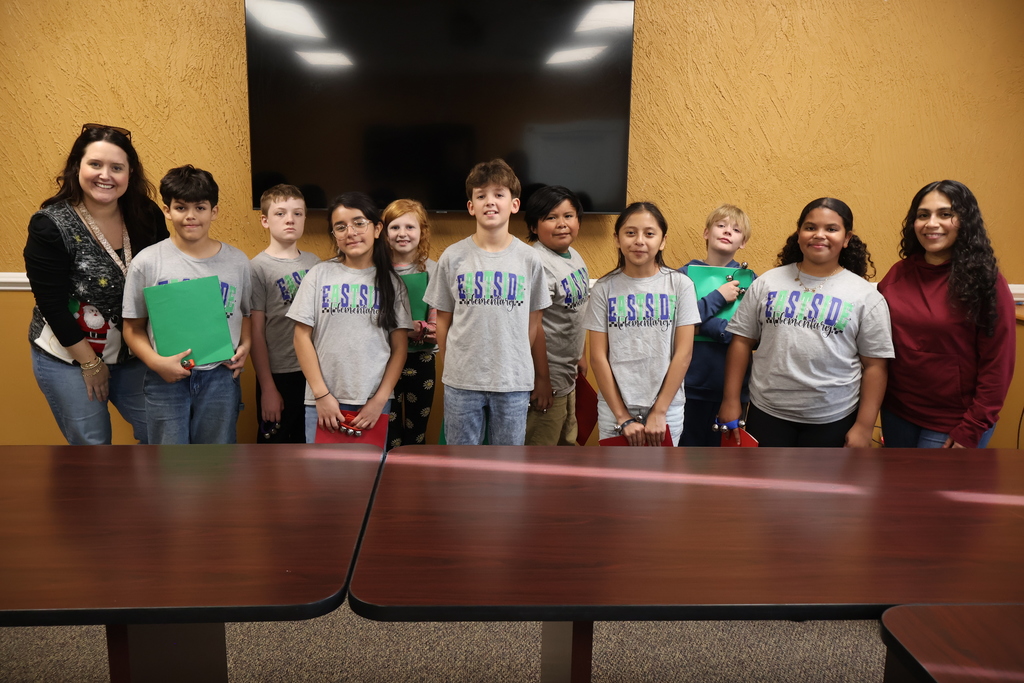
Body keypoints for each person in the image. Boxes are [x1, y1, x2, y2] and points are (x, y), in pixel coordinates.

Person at [24, 123, 168, 445]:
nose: (106, 175)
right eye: (95, 164)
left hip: (134, 353)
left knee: (164, 433)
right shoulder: (50, 224)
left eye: (117, 167)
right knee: (94, 449)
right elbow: (52, 304)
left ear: (130, 173)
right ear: (78, 167)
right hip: (70, 356)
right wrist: (89, 363)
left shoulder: (147, 215)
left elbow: (164, 282)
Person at [719, 198, 893, 448]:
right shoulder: (768, 283)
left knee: (820, 488)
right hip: (767, 412)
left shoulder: (865, 296)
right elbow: (741, 342)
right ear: (799, 234)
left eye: (831, 229)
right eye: (810, 227)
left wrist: (865, 426)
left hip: (834, 417)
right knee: (765, 487)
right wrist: (731, 399)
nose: (819, 235)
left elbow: (875, 366)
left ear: (846, 238)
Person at [878, 180, 1015, 448]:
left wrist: (973, 426)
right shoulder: (898, 274)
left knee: (934, 491)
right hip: (898, 412)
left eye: (945, 214)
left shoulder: (986, 282)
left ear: (965, 221)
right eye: (923, 215)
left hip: (955, 421)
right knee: (901, 490)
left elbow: (998, 364)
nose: (931, 223)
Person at [122, 165, 252, 444]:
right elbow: (132, 328)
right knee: (170, 462)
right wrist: (157, 363)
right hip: (165, 379)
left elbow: (246, 312)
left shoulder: (238, 262)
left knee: (216, 459)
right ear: (167, 210)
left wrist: (246, 345)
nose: (191, 216)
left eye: (200, 208)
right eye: (181, 208)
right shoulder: (147, 262)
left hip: (220, 376)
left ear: (213, 211)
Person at [424, 159, 549, 446]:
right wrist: (454, 362)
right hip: (462, 382)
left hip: (513, 381)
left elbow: (534, 322)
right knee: (462, 463)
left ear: (514, 204)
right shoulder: (453, 257)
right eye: (481, 196)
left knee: (507, 464)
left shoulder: (529, 259)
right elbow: (443, 320)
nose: (489, 202)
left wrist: (513, 357)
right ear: (471, 206)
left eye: (498, 194)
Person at [288, 192, 412, 444]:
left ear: (377, 229)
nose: (350, 232)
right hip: (322, 404)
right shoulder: (319, 275)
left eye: (359, 222)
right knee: (323, 478)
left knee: (367, 479)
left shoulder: (392, 283)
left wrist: (378, 401)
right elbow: (301, 337)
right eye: (340, 227)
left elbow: (399, 348)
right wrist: (322, 396)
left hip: (372, 405)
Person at [585, 202, 700, 446]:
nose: (639, 240)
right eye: (630, 232)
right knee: (616, 482)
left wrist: (659, 411)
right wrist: (622, 416)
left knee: (661, 481)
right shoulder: (604, 289)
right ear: (617, 239)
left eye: (649, 233)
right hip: (615, 409)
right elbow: (597, 356)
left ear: (663, 240)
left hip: (666, 409)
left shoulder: (680, 286)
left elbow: (684, 353)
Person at [678, 204, 755, 447]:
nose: (727, 231)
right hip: (687, 383)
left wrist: (700, 327)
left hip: (730, 387)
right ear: (706, 233)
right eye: (720, 225)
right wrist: (718, 299)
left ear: (743, 242)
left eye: (735, 229)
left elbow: (750, 334)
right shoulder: (682, 276)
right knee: (684, 454)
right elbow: (675, 325)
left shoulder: (751, 281)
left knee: (724, 461)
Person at [249, 184, 320, 444]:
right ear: (265, 220)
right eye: (280, 213)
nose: (290, 219)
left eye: (298, 213)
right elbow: (255, 331)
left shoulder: (315, 263)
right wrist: (267, 386)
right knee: (275, 447)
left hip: (314, 372)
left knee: (309, 442)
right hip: (279, 374)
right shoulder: (257, 268)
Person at [523, 185, 590, 446]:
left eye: (568, 216)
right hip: (545, 380)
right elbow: (533, 325)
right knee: (541, 454)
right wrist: (542, 380)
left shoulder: (573, 255)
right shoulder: (537, 262)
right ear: (533, 226)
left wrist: (581, 354)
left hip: (567, 374)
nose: (562, 224)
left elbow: (577, 311)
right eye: (551, 217)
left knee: (568, 445)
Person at [383, 198, 438, 449]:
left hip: (421, 361)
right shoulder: (377, 271)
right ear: (383, 233)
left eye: (410, 227)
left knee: (416, 432)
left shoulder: (434, 271)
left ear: (422, 231)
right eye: (394, 227)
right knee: (387, 429)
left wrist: (424, 330)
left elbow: (440, 327)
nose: (402, 234)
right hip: (383, 360)